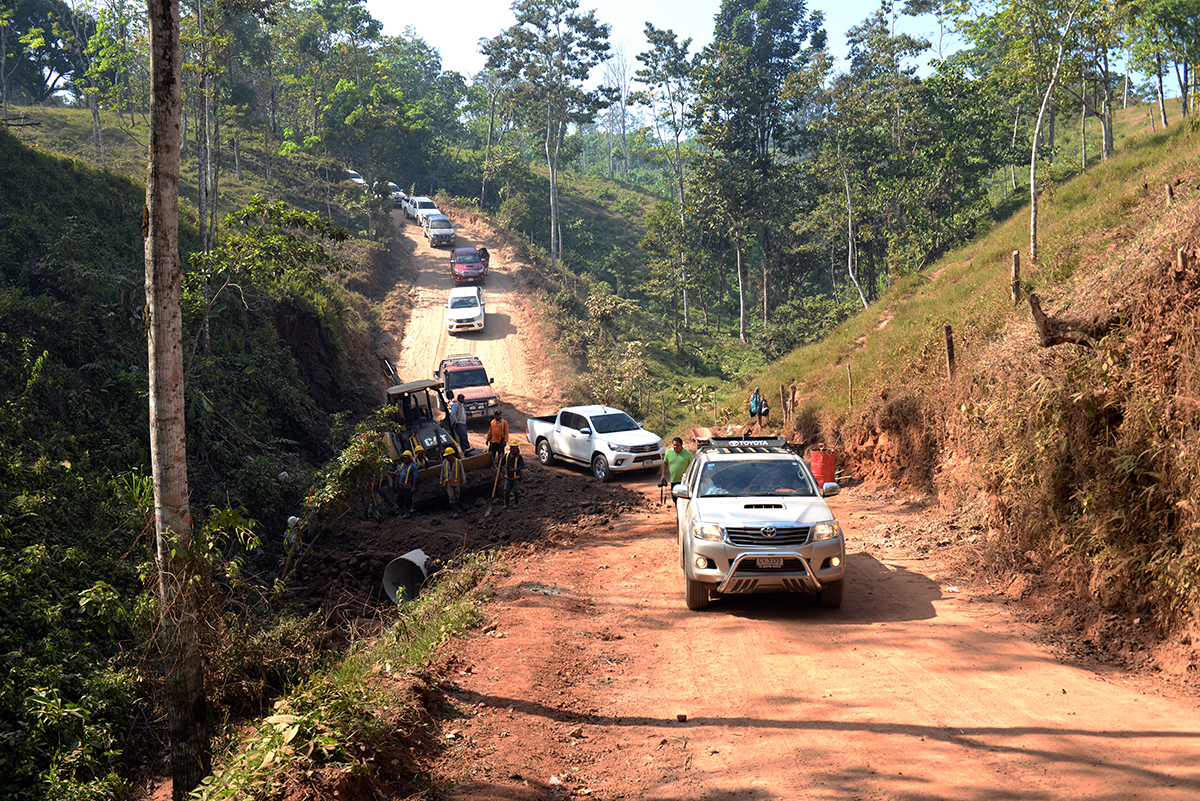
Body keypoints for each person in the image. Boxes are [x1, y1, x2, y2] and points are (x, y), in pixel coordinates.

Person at [440, 445, 466, 518]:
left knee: (457, 495)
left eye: (447, 456)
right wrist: (442, 482)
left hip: (456, 483)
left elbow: (462, 472)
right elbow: (442, 472)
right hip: (449, 483)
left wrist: (463, 482)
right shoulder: (445, 462)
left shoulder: (458, 462)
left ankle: (456, 508)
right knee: (451, 497)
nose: (447, 457)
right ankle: (454, 512)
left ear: (451, 455)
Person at [500, 439, 526, 509]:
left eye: (516, 448)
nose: (515, 450)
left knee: (516, 491)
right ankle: (506, 504)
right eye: (513, 448)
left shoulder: (519, 457)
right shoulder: (507, 456)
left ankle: (516, 504)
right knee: (506, 492)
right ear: (510, 448)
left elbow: (523, 466)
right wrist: (501, 458)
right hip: (508, 477)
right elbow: (502, 464)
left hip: (516, 478)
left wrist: (515, 470)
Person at [394, 451, 418, 518]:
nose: (404, 460)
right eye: (403, 458)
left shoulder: (413, 466)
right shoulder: (401, 465)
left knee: (406, 501)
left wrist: (413, 487)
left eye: (405, 458)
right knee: (398, 500)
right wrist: (396, 484)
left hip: (408, 487)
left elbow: (415, 477)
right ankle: (404, 512)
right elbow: (398, 475)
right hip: (401, 487)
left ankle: (406, 512)